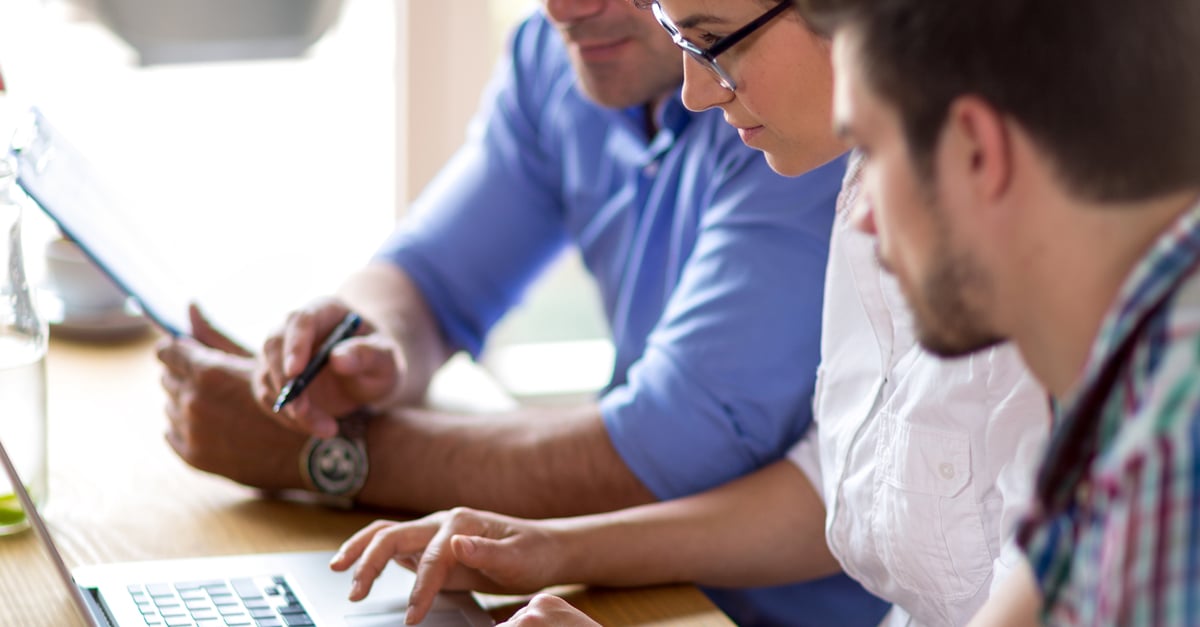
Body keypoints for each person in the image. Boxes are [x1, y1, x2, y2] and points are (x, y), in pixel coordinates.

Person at [155, 1, 887, 625]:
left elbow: (662, 449)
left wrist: (323, 455)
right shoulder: (571, 56)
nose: (562, 10)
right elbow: (432, 276)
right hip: (634, 585)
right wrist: (358, 345)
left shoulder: (797, 112)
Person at [327, 1, 1051, 625]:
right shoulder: (865, 169)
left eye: (713, 40)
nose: (696, 92)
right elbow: (845, 473)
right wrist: (552, 547)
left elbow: (674, 435)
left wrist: (324, 455)